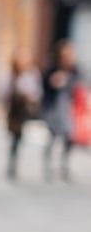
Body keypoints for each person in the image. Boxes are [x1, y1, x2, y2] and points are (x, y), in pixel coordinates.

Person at [41, 39, 81, 181]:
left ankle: (64, 165)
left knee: (69, 137)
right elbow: (44, 83)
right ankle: (48, 166)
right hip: (53, 106)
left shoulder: (74, 69)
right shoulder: (53, 68)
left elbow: (78, 85)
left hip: (67, 107)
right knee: (52, 136)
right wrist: (53, 81)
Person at [3, 50, 42, 180]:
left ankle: (14, 159)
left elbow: (37, 91)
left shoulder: (32, 75)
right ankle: (12, 159)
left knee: (18, 135)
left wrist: (31, 97)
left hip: (24, 111)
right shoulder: (11, 75)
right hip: (14, 110)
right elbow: (3, 90)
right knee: (14, 134)